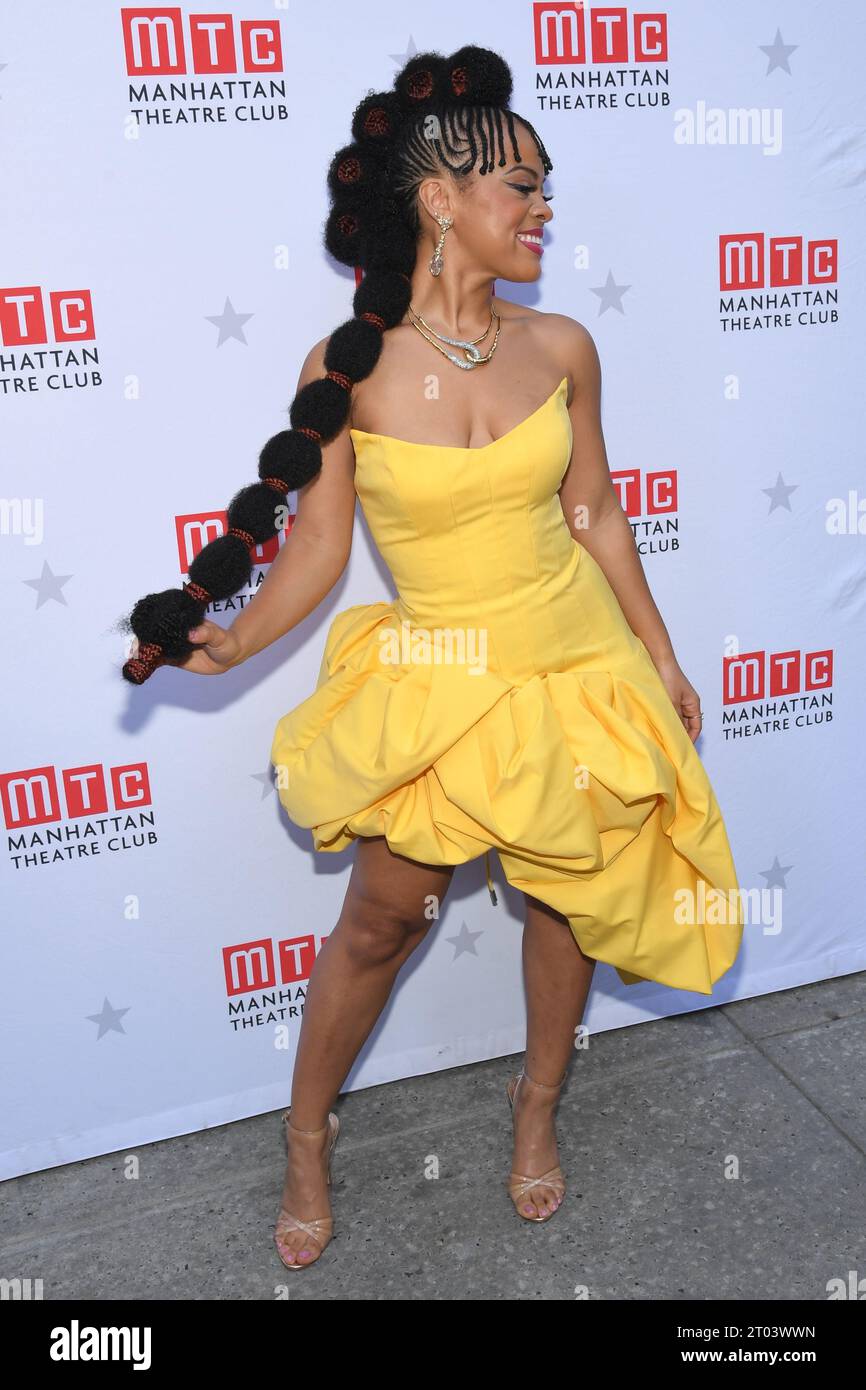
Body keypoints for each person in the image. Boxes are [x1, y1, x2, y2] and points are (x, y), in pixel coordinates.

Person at [121, 46, 744, 1272]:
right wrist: (233, 636)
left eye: (542, 187)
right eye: (520, 185)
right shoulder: (343, 371)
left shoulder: (559, 345)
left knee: (568, 898)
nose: (542, 209)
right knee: (379, 923)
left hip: (573, 665)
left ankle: (535, 1109)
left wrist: (659, 656)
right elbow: (317, 548)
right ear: (438, 199)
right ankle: (306, 1136)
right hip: (445, 678)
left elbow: (596, 513)